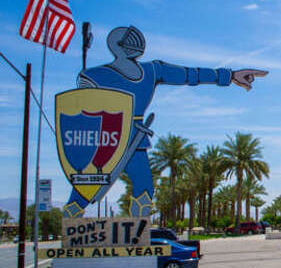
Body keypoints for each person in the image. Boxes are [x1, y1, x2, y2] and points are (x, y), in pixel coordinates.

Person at [63, 26, 266, 218]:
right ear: (116, 47)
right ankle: (72, 222)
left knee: (144, 188)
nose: (136, 44)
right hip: (106, 139)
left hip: (135, 138)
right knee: (87, 185)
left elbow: (190, 74)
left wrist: (230, 76)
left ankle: (137, 234)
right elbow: (83, 109)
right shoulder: (94, 76)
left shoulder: (151, 71)